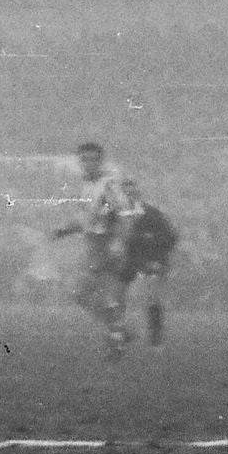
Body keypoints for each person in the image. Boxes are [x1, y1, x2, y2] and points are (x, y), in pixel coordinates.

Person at [48, 141, 142, 359]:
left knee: (99, 295)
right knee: (80, 293)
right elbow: (86, 219)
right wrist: (64, 231)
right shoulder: (86, 185)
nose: (88, 163)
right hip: (93, 245)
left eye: (93, 159)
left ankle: (117, 345)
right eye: (85, 159)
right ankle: (121, 332)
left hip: (106, 245)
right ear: (80, 162)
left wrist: (118, 242)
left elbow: (124, 215)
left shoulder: (109, 184)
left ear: (101, 160)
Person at [120, 181, 178, 347]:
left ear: (137, 194)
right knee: (121, 295)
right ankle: (124, 334)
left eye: (131, 193)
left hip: (152, 262)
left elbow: (170, 236)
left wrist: (153, 250)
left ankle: (155, 339)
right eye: (125, 194)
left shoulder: (151, 213)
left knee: (152, 298)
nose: (128, 197)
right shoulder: (119, 215)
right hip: (132, 261)